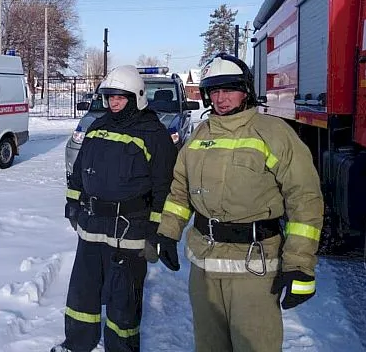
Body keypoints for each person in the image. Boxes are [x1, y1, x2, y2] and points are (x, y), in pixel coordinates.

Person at [154, 53, 324, 352]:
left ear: (246, 90)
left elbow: (305, 199)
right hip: (204, 266)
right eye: (214, 91)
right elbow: (180, 188)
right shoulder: (201, 135)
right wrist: (168, 232)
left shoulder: (273, 133)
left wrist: (299, 264)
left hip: (254, 266)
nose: (221, 99)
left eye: (228, 89)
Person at [52, 65, 178, 352]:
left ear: (137, 97)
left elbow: (164, 186)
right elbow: (79, 169)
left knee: (124, 299)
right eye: (109, 97)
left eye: (120, 97)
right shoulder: (98, 126)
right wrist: (73, 202)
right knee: (83, 292)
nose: (114, 103)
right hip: (92, 225)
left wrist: (158, 230)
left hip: (130, 230)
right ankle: (77, 343)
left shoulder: (153, 134)